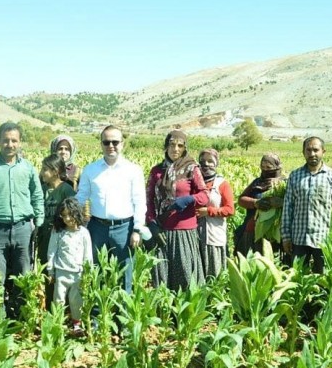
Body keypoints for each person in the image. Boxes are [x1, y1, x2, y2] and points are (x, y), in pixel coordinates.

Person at [0, 122, 44, 318]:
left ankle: (22, 319)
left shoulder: (28, 168)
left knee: (23, 276)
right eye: (6, 140)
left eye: (14, 140)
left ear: (20, 143)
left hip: (23, 229)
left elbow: (37, 196)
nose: (10, 144)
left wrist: (39, 222)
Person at [75, 125, 147, 293]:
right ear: (101, 144)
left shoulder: (133, 170)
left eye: (115, 142)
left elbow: (139, 201)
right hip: (96, 227)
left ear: (123, 144)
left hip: (125, 228)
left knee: (124, 274)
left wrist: (137, 229)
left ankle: (121, 316)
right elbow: (81, 197)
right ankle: (97, 316)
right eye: (106, 142)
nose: (111, 146)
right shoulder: (90, 170)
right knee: (96, 272)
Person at [147, 130, 209, 290]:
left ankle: (186, 314)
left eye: (180, 146)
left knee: (186, 279)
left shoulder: (191, 169)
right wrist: (152, 223)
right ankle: (165, 314)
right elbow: (149, 200)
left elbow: (205, 195)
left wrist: (190, 199)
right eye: (172, 145)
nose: (175, 149)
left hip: (184, 232)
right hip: (162, 231)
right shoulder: (157, 171)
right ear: (166, 146)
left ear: (184, 148)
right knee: (162, 279)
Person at [281, 137, 332, 273]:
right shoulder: (295, 176)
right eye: (308, 150)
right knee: (297, 278)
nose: (312, 154)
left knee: (323, 279)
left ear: (323, 151)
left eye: (316, 150)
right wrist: (286, 236)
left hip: (324, 239)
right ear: (303, 152)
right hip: (299, 238)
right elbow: (288, 207)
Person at [46, 197, 93, 337]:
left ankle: (77, 325)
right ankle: (57, 323)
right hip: (61, 272)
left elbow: (88, 255)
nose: (67, 218)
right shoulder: (58, 231)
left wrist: (88, 272)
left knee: (76, 300)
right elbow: (52, 251)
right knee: (58, 299)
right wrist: (50, 270)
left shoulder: (83, 233)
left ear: (77, 213)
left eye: (70, 214)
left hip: (78, 273)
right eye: (63, 215)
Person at [37, 154, 77, 308]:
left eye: (45, 169)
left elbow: (74, 213)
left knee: (63, 273)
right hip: (44, 238)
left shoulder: (66, 190)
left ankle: (65, 310)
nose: (42, 172)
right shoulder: (42, 189)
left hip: (61, 239)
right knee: (48, 273)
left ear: (55, 171)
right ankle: (50, 308)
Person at [234, 153, 285, 257]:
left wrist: (280, 202)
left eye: (269, 167)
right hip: (253, 228)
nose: (265, 170)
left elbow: (291, 203)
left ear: (277, 167)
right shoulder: (257, 182)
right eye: (263, 167)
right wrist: (255, 203)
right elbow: (241, 199)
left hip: (276, 231)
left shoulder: (284, 184)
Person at [196, 148, 235, 280]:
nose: (206, 165)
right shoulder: (195, 183)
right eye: (202, 161)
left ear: (217, 164)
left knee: (214, 272)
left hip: (213, 233)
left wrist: (209, 211)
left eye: (210, 161)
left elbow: (230, 210)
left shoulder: (222, 184)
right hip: (195, 233)